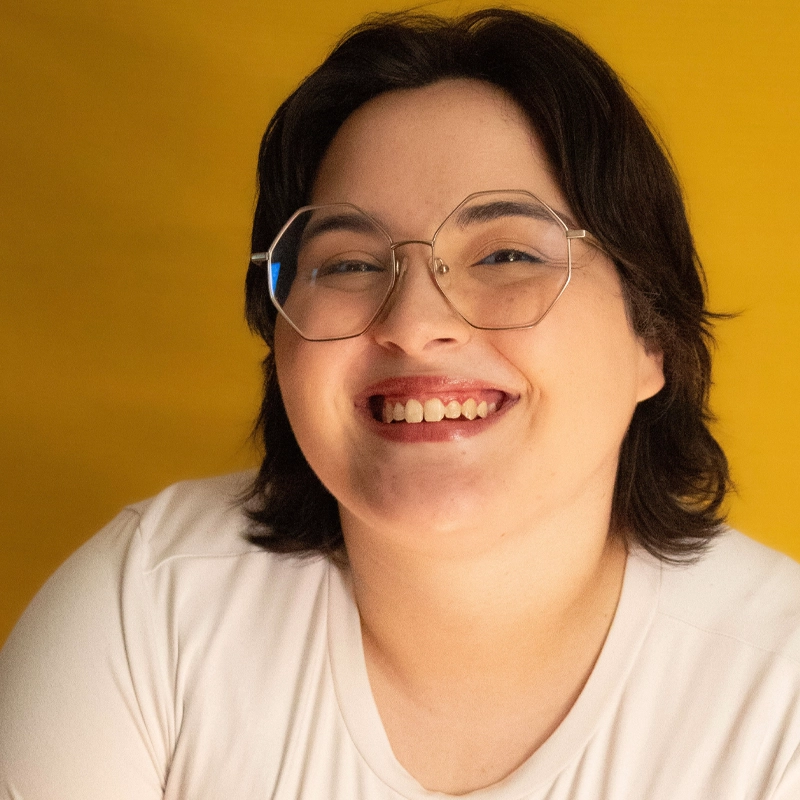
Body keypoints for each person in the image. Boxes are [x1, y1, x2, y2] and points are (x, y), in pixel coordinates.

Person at [1, 8, 799, 799]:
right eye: (347, 264)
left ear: (651, 337)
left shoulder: (778, 695)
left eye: (508, 253)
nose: (415, 326)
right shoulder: (150, 607)